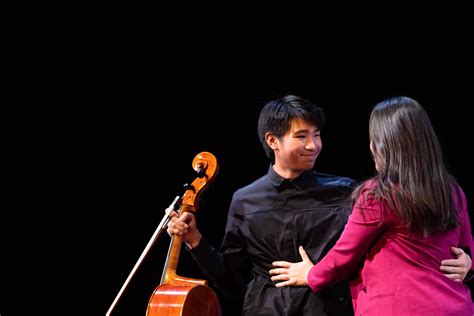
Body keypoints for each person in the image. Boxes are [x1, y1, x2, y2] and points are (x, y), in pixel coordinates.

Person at [167, 95, 472, 316]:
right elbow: (233, 282)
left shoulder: (346, 192)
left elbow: (369, 252)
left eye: (317, 135)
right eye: (302, 136)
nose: (314, 145)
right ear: (273, 141)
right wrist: (194, 241)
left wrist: (468, 262)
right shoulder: (245, 200)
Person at [269, 96, 473, 315]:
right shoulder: (451, 190)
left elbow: (344, 255)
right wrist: (469, 263)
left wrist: (311, 274)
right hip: (454, 305)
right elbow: (465, 248)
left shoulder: (379, 194)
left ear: (384, 144)